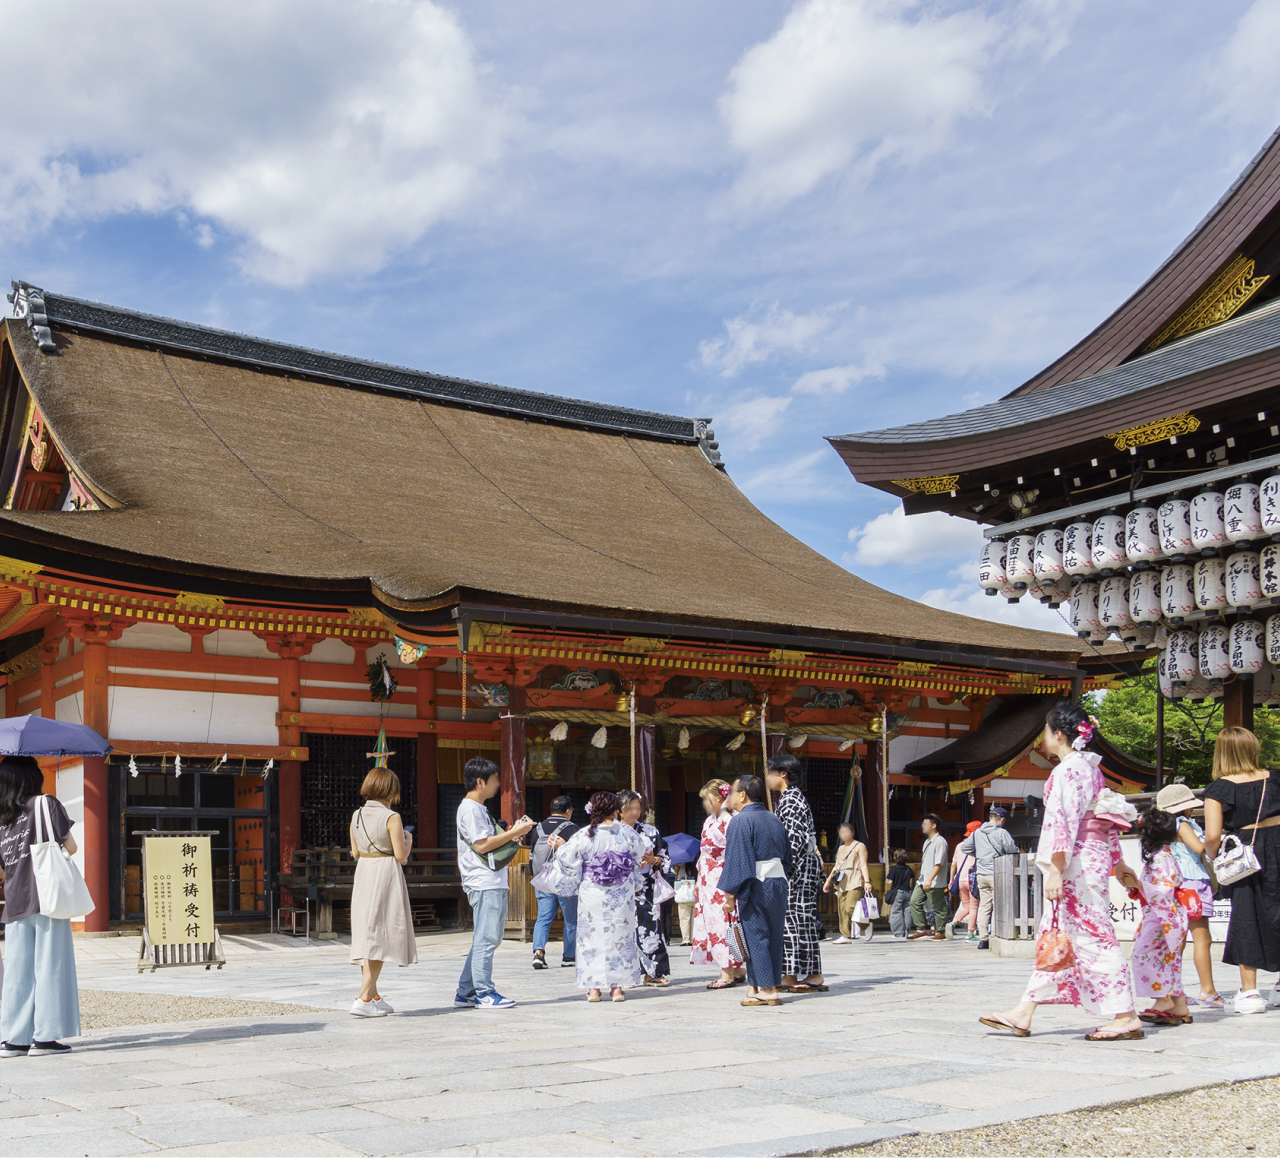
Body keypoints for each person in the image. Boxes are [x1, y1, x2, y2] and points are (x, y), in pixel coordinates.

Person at [980, 700, 1144, 1041]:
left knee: (1093, 933)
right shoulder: (1091, 769)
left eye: (1045, 730)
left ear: (1058, 734)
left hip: (1075, 861)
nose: (1042, 737)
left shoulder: (1068, 769)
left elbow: (1062, 821)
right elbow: (1105, 820)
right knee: (1058, 931)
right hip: (1090, 856)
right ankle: (1024, 1011)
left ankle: (1126, 1014)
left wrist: (1056, 869)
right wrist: (1119, 861)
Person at [536, 790, 652, 1002]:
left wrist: (579, 868)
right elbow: (638, 856)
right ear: (617, 810)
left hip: (593, 892)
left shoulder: (585, 834)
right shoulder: (627, 833)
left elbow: (567, 860)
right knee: (621, 935)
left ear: (593, 810)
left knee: (591, 937)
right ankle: (617, 988)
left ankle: (594, 989)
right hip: (621, 892)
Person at [0, 756, 80, 1055]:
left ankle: (13, 1040)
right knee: (51, 966)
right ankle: (45, 1038)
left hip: (15, 901)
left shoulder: (2, 817)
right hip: (47, 898)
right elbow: (71, 846)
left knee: (18, 973)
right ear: (33, 777)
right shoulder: (45, 804)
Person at [1203, 726, 1280, 1015]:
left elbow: (1212, 835)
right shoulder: (1274, 779)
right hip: (1278, 843)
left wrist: (1213, 857)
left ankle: (1250, 992)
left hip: (1247, 849)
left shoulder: (1219, 788)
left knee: (1248, 914)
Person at [454, 757, 535, 1011]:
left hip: (490, 879)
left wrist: (510, 833)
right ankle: (484, 993)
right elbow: (482, 844)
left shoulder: (478, 808)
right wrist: (514, 832)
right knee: (487, 939)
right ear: (480, 782)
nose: (498, 784)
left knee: (485, 938)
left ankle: (466, 992)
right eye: (495, 779)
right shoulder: (470, 809)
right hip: (483, 880)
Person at [349, 768, 417, 1017]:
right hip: (386, 873)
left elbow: (355, 853)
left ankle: (374, 995)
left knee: (368, 933)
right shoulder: (392, 817)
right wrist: (408, 843)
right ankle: (363, 998)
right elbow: (400, 855)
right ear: (390, 790)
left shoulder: (356, 815)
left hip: (364, 872)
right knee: (381, 935)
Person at [719, 775, 793, 1007]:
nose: (729, 796)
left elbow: (737, 861)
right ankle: (757, 985)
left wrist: (731, 895)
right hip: (778, 881)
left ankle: (768, 989)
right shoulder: (774, 819)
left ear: (743, 795)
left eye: (732, 791)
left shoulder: (740, 821)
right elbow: (788, 858)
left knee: (756, 935)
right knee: (772, 934)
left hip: (755, 882)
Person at [1157, 783, 1221, 1009]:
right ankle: (1208, 991)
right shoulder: (1182, 824)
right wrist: (1214, 840)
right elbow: (1199, 848)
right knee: (1203, 939)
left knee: (1179, 941)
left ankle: (1176, 993)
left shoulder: (1165, 827)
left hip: (1176, 884)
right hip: (1193, 883)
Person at [765, 754, 825, 992]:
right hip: (806, 866)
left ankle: (790, 975)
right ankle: (813, 973)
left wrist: (785, 871)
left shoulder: (790, 800)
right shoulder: (794, 798)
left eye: (771, 773)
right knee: (805, 921)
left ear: (783, 774)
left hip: (797, 868)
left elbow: (792, 842)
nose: (768, 778)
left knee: (791, 920)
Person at [1130, 808, 1191, 1026]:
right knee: (1168, 959)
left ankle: (1161, 999)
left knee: (1142, 954)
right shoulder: (1166, 856)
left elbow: (1162, 890)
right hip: (1170, 914)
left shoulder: (1158, 859)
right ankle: (1179, 1005)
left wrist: (1139, 885)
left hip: (1161, 915)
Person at [690, 778, 746, 989]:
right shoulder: (710, 820)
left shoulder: (733, 819)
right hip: (707, 877)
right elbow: (704, 852)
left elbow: (734, 851)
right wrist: (698, 879)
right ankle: (737, 968)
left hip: (724, 875)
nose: (705, 804)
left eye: (708, 799)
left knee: (724, 922)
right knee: (714, 922)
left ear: (720, 797)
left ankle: (727, 972)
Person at [619, 790, 672, 986]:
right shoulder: (612, 832)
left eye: (637, 808)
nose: (635, 812)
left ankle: (653, 972)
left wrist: (654, 859)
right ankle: (625, 974)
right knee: (621, 930)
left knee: (650, 929)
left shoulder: (650, 832)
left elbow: (665, 858)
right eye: (629, 809)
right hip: (620, 888)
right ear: (619, 811)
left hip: (646, 887)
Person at [959, 806, 1019, 949]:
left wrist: (980, 855)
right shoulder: (1002, 833)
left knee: (985, 906)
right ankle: (995, 934)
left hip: (981, 874)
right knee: (998, 905)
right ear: (1002, 820)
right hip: (997, 874)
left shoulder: (977, 833)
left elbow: (965, 848)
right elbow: (1011, 850)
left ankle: (983, 938)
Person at [529, 796, 578, 971]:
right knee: (571, 920)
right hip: (566, 881)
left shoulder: (538, 828)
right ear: (568, 811)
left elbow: (532, 854)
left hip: (544, 879)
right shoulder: (572, 829)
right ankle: (569, 956)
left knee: (543, 918)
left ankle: (538, 953)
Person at [822, 823, 869, 944]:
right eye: (841, 832)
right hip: (841, 879)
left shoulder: (859, 846)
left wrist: (867, 881)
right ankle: (845, 935)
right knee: (842, 909)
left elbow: (863, 864)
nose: (844, 835)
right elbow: (836, 866)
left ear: (852, 832)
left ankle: (865, 925)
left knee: (850, 907)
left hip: (855, 877)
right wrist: (828, 881)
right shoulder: (841, 848)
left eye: (846, 832)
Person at [908, 814, 950, 941]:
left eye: (925, 824)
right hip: (922, 879)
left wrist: (930, 879)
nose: (923, 826)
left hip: (934, 880)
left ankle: (941, 930)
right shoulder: (927, 841)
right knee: (914, 902)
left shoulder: (940, 842)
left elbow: (939, 863)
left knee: (938, 906)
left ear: (933, 825)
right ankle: (921, 929)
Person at [951, 820, 982, 941]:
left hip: (960, 880)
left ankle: (953, 923)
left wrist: (951, 879)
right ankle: (970, 934)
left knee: (966, 906)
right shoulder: (978, 846)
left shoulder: (959, 846)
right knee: (974, 907)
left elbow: (953, 864)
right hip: (973, 879)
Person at [885, 849, 915, 938]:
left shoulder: (893, 869)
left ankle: (898, 932)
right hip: (908, 892)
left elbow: (890, 882)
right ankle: (906, 932)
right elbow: (911, 882)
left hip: (897, 892)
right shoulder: (909, 869)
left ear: (895, 858)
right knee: (907, 912)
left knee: (896, 912)